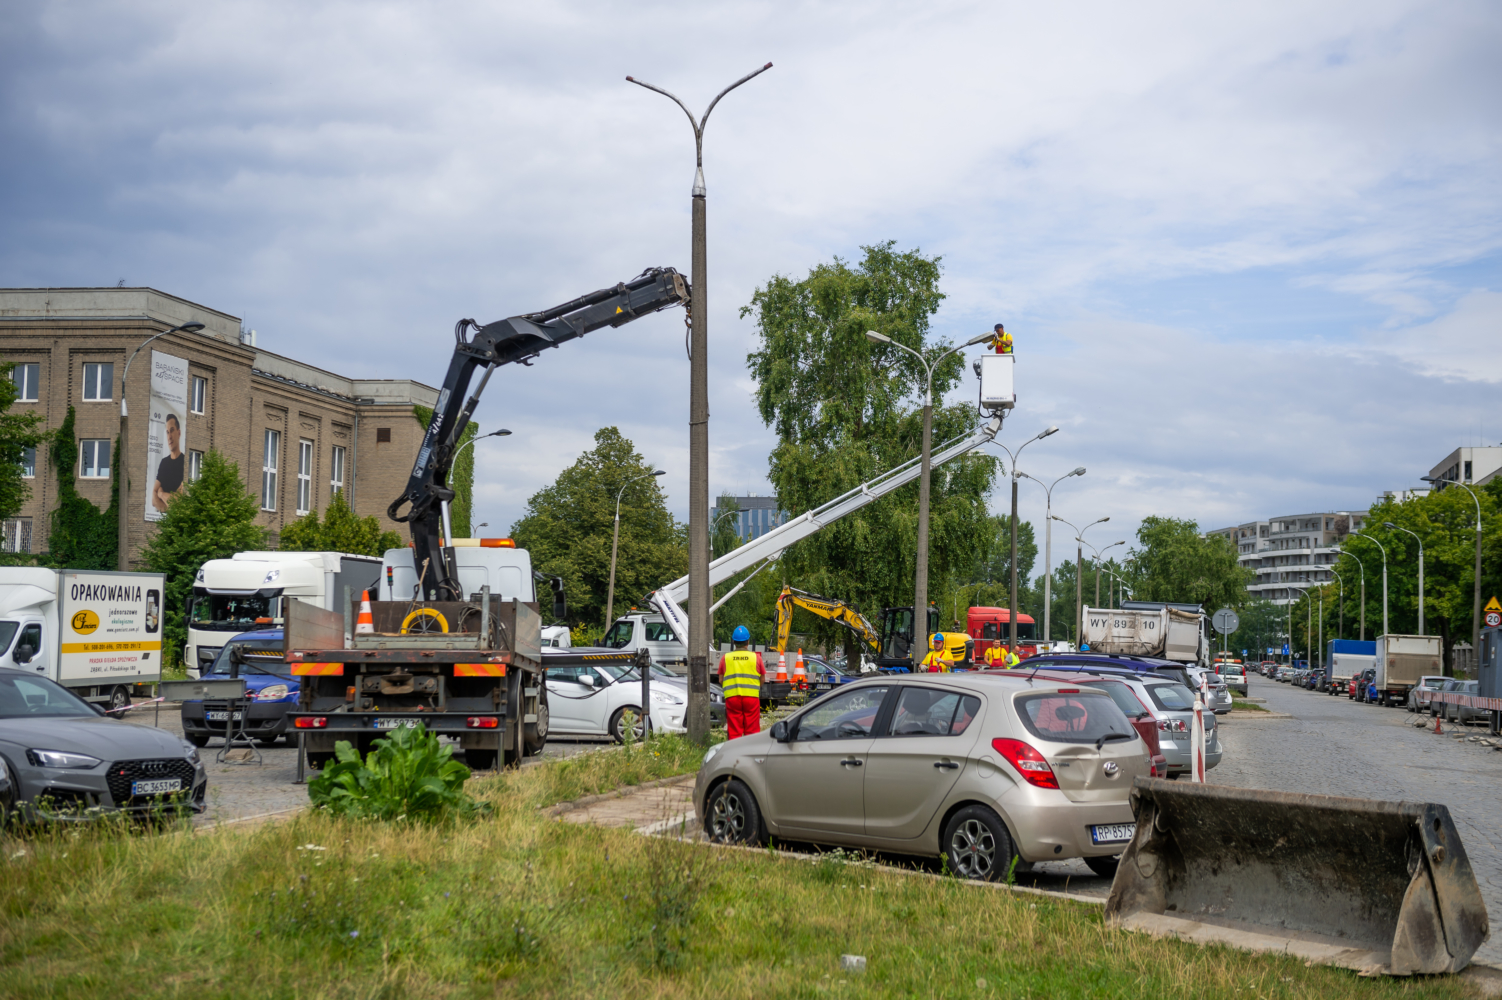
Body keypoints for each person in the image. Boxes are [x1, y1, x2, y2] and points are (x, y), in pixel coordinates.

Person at [717, 625, 765, 739]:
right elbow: (762, 678)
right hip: (751, 698)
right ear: (748, 642)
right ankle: (750, 752)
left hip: (732, 698)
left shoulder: (726, 658)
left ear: (734, 642)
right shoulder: (756, 657)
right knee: (752, 730)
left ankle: (735, 753)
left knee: (734, 730)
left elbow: (720, 679)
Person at [151, 413, 186, 513]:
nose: (169, 436)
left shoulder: (185, 463)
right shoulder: (164, 463)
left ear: (179, 433)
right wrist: (171, 506)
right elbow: (153, 499)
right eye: (167, 432)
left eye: (172, 430)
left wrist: (161, 494)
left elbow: (179, 501)